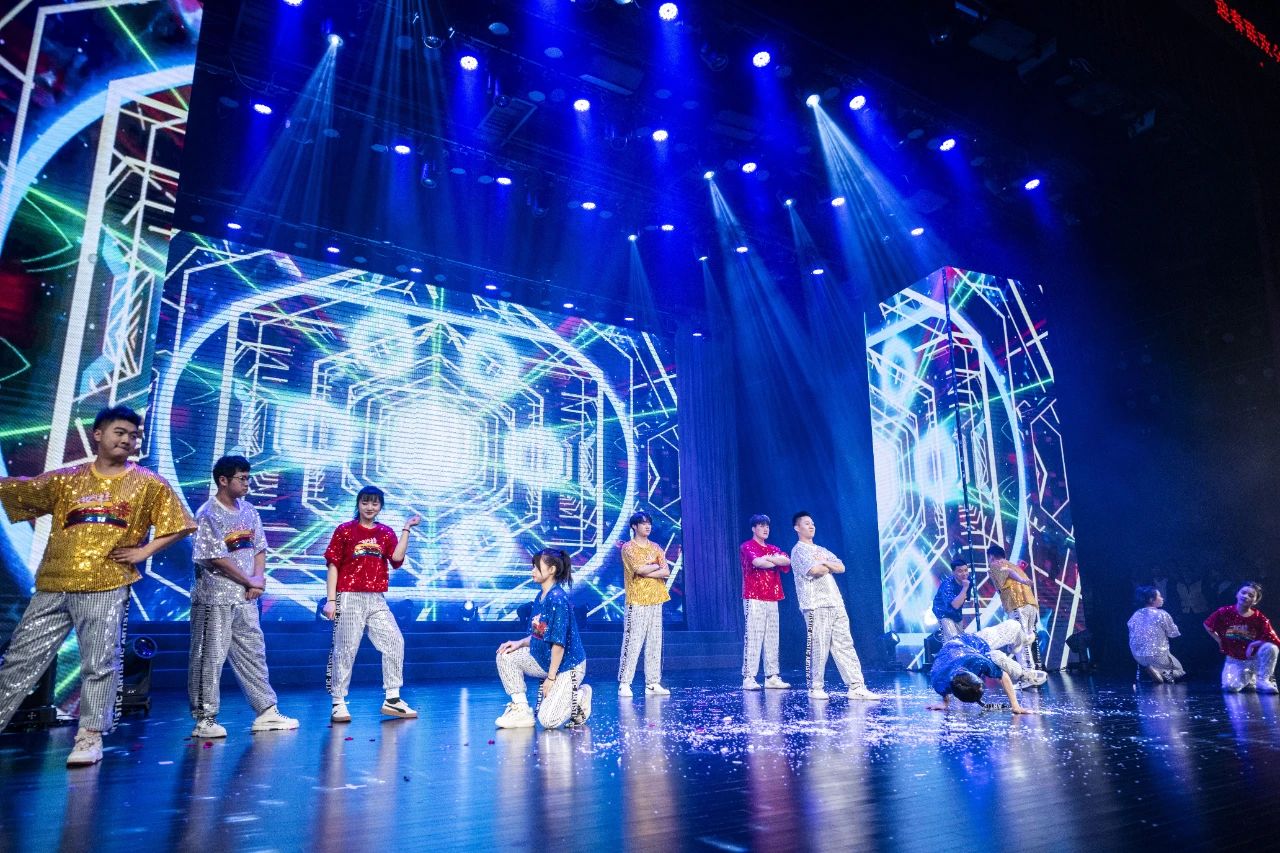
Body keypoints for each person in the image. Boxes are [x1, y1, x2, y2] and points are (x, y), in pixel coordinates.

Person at [0, 405, 195, 766]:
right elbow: (20, 492)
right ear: (98, 434)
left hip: (106, 583)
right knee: (20, 660)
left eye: (134, 435)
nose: (127, 440)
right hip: (54, 583)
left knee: (100, 662)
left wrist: (144, 551)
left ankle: (89, 736)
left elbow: (180, 524)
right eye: (120, 432)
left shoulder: (149, 483)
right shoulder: (67, 479)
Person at [188, 455, 298, 738]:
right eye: (243, 478)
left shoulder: (249, 511)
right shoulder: (207, 514)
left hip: (246, 597)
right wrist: (248, 579)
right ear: (223, 480)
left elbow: (259, 547)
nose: (248, 483)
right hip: (214, 597)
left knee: (253, 652)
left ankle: (266, 711)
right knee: (209, 657)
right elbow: (214, 557)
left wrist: (257, 580)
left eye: (249, 478)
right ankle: (205, 718)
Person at [322, 486, 420, 722]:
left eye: (375, 503)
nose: (370, 507)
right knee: (345, 649)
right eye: (365, 502)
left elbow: (396, 558)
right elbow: (333, 565)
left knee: (395, 641)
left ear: (380, 507)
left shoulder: (385, 533)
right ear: (358, 504)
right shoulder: (345, 530)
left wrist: (406, 529)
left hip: (376, 598)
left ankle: (392, 699)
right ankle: (338, 702)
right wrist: (331, 600)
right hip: (349, 596)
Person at [495, 549, 593, 729]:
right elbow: (538, 634)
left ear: (551, 570)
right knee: (505, 655)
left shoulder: (557, 599)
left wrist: (551, 678)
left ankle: (580, 696)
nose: (532, 571)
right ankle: (521, 710)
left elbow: (558, 644)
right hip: (545, 661)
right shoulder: (541, 597)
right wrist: (519, 643)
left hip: (568, 666)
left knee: (548, 720)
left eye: (536, 567)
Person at [789, 512, 880, 701]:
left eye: (813, 523)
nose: (811, 526)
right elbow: (814, 570)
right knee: (818, 646)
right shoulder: (798, 550)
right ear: (797, 528)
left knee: (844, 644)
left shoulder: (821, 549)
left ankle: (856, 686)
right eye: (807, 523)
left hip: (835, 602)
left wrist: (823, 561)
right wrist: (826, 565)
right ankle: (815, 687)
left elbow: (841, 567)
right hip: (815, 604)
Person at [926, 618, 1045, 714]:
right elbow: (943, 690)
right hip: (957, 654)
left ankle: (1020, 647)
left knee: (1013, 626)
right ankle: (1022, 671)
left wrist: (1015, 706)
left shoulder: (978, 662)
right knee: (995, 656)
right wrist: (945, 703)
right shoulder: (938, 682)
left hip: (973, 642)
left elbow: (1003, 676)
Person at [617, 511, 671, 697]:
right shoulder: (628, 547)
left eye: (649, 523)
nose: (648, 526)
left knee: (654, 642)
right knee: (633, 641)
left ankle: (652, 683)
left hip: (656, 598)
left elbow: (666, 571)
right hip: (637, 600)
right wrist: (654, 566)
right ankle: (625, 683)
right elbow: (638, 569)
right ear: (634, 526)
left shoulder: (656, 547)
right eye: (643, 523)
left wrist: (650, 569)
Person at [740, 514, 791, 690]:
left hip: (773, 596)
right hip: (754, 596)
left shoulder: (773, 547)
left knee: (772, 637)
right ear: (753, 528)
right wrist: (773, 560)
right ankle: (749, 677)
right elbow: (758, 562)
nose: (765, 529)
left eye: (767, 526)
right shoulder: (747, 546)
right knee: (754, 636)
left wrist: (770, 559)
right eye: (761, 525)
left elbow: (786, 561)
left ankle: (772, 676)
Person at [1203, 582, 1280, 693]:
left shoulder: (1259, 617)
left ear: (1255, 601)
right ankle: (1249, 678)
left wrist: (1253, 644)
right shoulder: (1224, 612)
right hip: (1235, 660)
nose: (1246, 596)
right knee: (1230, 687)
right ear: (1237, 594)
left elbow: (1273, 639)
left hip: (1254, 659)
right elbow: (1207, 624)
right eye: (1243, 592)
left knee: (1271, 647)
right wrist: (1219, 640)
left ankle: (1263, 680)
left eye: (1251, 595)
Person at [986, 544, 1042, 673]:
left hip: (1017, 604)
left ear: (991, 556)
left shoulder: (995, 564)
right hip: (1030, 604)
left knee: (1020, 639)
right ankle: (1029, 670)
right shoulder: (1014, 565)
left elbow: (1007, 571)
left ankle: (1028, 673)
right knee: (1026, 638)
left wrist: (1022, 580)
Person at [1127, 586, 1185, 683]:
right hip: (1157, 655)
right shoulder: (1162, 614)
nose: (1162, 598)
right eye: (1160, 596)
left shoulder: (1135, 615)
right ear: (1151, 599)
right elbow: (1173, 633)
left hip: (1138, 656)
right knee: (1179, 671)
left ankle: (1158, 674)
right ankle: (1159, 672)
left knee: (1165, 674)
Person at [932, 558, 970, 640]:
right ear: (953, 572)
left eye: (966, 570)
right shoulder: (947, 585)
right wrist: (965, 588)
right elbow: (955, 605)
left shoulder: (967, 581)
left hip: (956, 614)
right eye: (960, 571)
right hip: (943, 612)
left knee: (961, 639)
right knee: (953, 639)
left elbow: (965, 599)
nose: (964, 574)